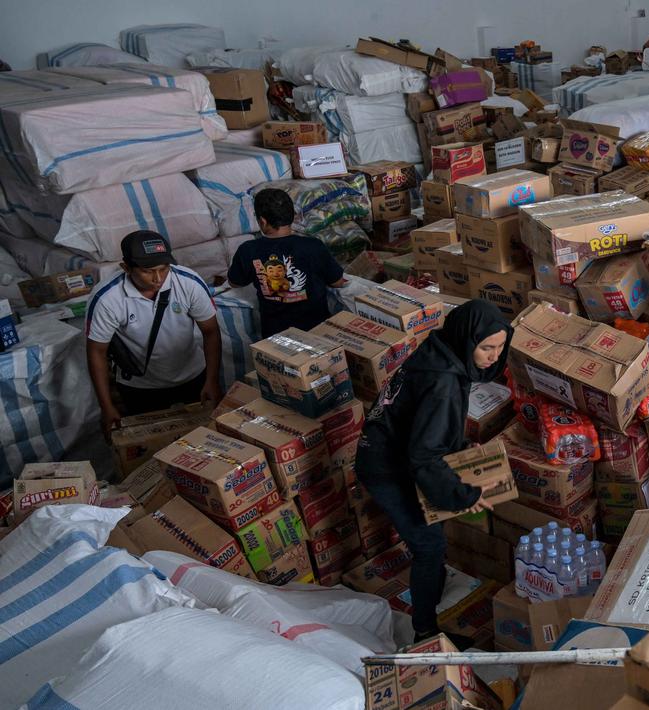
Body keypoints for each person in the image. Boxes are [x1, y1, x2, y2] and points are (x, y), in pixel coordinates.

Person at [355, 300, 512, 643]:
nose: (494, 356)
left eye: (500, 347)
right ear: (467, 341)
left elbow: (426, 428)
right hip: (385, 466)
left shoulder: (440, 351)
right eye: (486, 347)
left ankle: (432, 586)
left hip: (391, 449)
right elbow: (423, 457)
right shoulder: (442, 382)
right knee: (429, 545)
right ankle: (425, 631)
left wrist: (456, 455)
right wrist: (463, 494)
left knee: (431, 526)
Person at [85, 231, 222, 432]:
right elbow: (97, 352)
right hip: (140, 388)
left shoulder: (188, 282)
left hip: (192, 377)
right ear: (126, 268)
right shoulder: (107, 299)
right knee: (152, 448)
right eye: (147, 271)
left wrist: (212, 380)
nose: (158, 278)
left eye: (164, 268)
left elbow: (210, 331)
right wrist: (106, 406)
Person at [227, 188, 345, 339]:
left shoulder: (248, 250)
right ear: (293, 216)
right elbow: (338, 282)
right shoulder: (313, 246)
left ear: (262, 221)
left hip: (276, 340)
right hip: (319, 335)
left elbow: (234, 282)